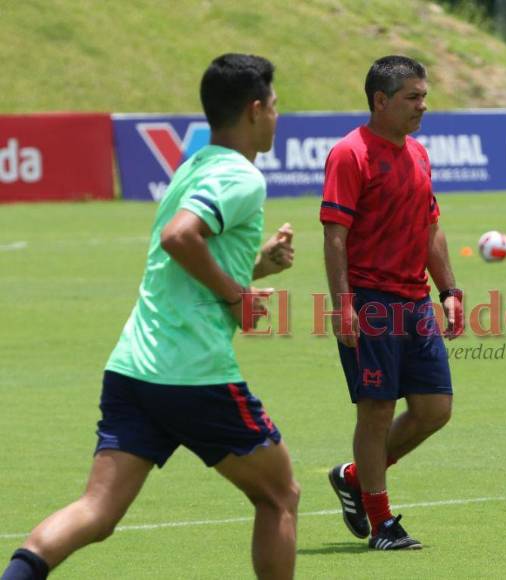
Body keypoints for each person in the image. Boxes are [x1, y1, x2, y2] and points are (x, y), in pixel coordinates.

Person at [1, 54, 299, 580]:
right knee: (280, 494)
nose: (278, 116)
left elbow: (181, 257)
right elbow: (179, 238)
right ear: (255, 110)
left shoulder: (191, 167)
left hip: (134, 369)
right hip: (193, 373)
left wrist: (257, 266)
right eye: (275, 106)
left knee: (96, 512)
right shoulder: (241, 176)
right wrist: (237, 297)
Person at [320, 55, 463, 551]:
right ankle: (381, 524)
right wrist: (343, 305)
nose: (422, 106)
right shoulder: (350, 154)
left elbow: (430, 228)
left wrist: (448, 291)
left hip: (415, 301)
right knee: (376, 411)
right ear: (380, 101)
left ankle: (356, 477)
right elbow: (335, 235)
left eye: (424, 97)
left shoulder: (419, 154)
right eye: (412, 98)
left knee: (434, 409)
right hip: (369, 300)